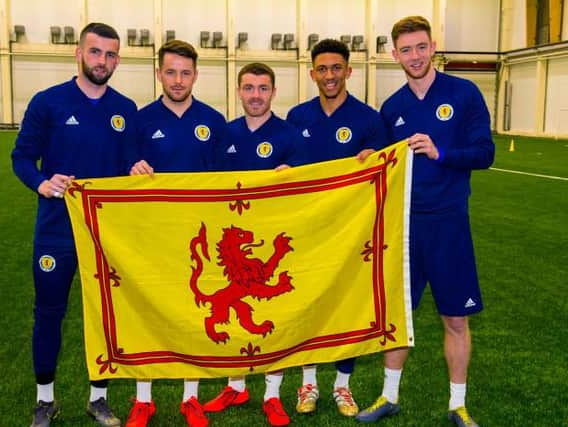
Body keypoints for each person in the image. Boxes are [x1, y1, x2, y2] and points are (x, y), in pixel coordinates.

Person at [355, 16, 494, 427]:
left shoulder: (464, 93)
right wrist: (369, 159)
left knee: (455, 317)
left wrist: (441, 152)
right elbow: (382, 159)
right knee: (399, 316)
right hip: (404, 226)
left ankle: (458, 404)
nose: (414, 56)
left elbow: (485, 153)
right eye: (405, 50)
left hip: (449, 224)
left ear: (432, 47)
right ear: (393, 54)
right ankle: (388, 396)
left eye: (420, 47)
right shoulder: (393, 107)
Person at [11, 22, 137, 427]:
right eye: (96, 52)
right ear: (78, 53)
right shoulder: (47, 102)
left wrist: (135, 169)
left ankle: (98, 398)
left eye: (111, 54)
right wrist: (42, 182)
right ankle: (44, 401)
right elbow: (21, 157)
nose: (104, 61)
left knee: (104, 317)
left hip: (104, 236)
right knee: (48, 312)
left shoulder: (125, 109)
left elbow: (127, 166)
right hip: (56, 231)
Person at [286, 38, 390, 418]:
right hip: (308, 229)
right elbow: (289, 167)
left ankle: (342, 387)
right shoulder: (297, 117)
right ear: (312, 73)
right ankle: (309, 382)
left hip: (351, 231)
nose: (329, 76)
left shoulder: (368, 119)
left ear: (349, 71)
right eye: (322, 69)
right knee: (308, 303)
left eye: (336, 68)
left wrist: (373, 160)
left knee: (346, 306)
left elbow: (385, 174)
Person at [125, 39, 227, 427]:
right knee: (147, 311)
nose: (179, 80)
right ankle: (143, 398)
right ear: (159, 74)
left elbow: (229, 179)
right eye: (171, 72)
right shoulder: (140, 120)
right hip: (152, 236)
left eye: (186, 73)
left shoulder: (214, 122)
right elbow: (120, 172)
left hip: (198, 241)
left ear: (196, 75)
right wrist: (131, 167)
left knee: (192, 315)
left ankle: (190, 397)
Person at [202, 62, 305, 427]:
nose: (256, 95)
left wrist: (292, 175)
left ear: (274, 92)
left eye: (263, 88)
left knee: (271, 316)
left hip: (269, 242)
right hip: (232, 240)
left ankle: (272, 394)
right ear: (238, 91)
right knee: (233, 313)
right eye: (249, 88)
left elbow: (309, 188)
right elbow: (207, 184)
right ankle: (235, 385)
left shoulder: (291, 135)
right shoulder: (224, 133)